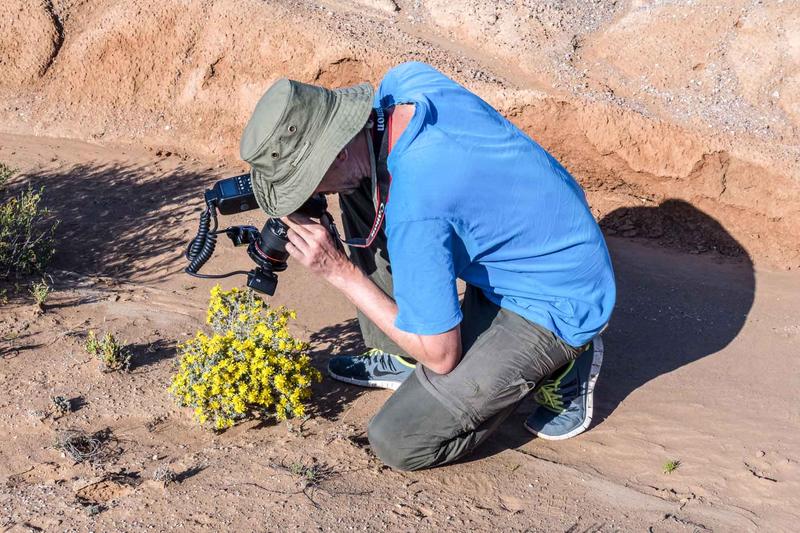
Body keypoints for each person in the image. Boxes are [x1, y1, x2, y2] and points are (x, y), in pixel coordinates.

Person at [239, 62, 616, 471]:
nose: (310, 194)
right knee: (359, 186)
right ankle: (400, 351)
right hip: (552, 234)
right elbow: (383, 175)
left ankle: (562, 361)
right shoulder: (404, 83)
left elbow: (441, 357)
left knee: (399, 438)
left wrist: (340, 270)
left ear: (339, 149)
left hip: (557, 298)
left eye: (307, 181)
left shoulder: (416, 209)